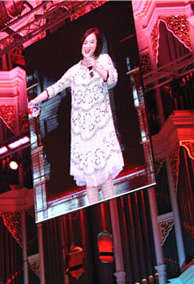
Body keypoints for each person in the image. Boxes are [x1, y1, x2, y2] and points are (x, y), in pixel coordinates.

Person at [28, 27, 123, 204]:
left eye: (92, 42)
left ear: (97, 45)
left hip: (101, 124)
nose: (88, 46)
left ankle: (113, 213)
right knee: (91, 181)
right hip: (82, 130)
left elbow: (112, 79)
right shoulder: (74, 71)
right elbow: (54, 88)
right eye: (85, 42)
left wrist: (94, 65)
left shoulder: (103, 59)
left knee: (106, 174)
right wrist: (34, 101)